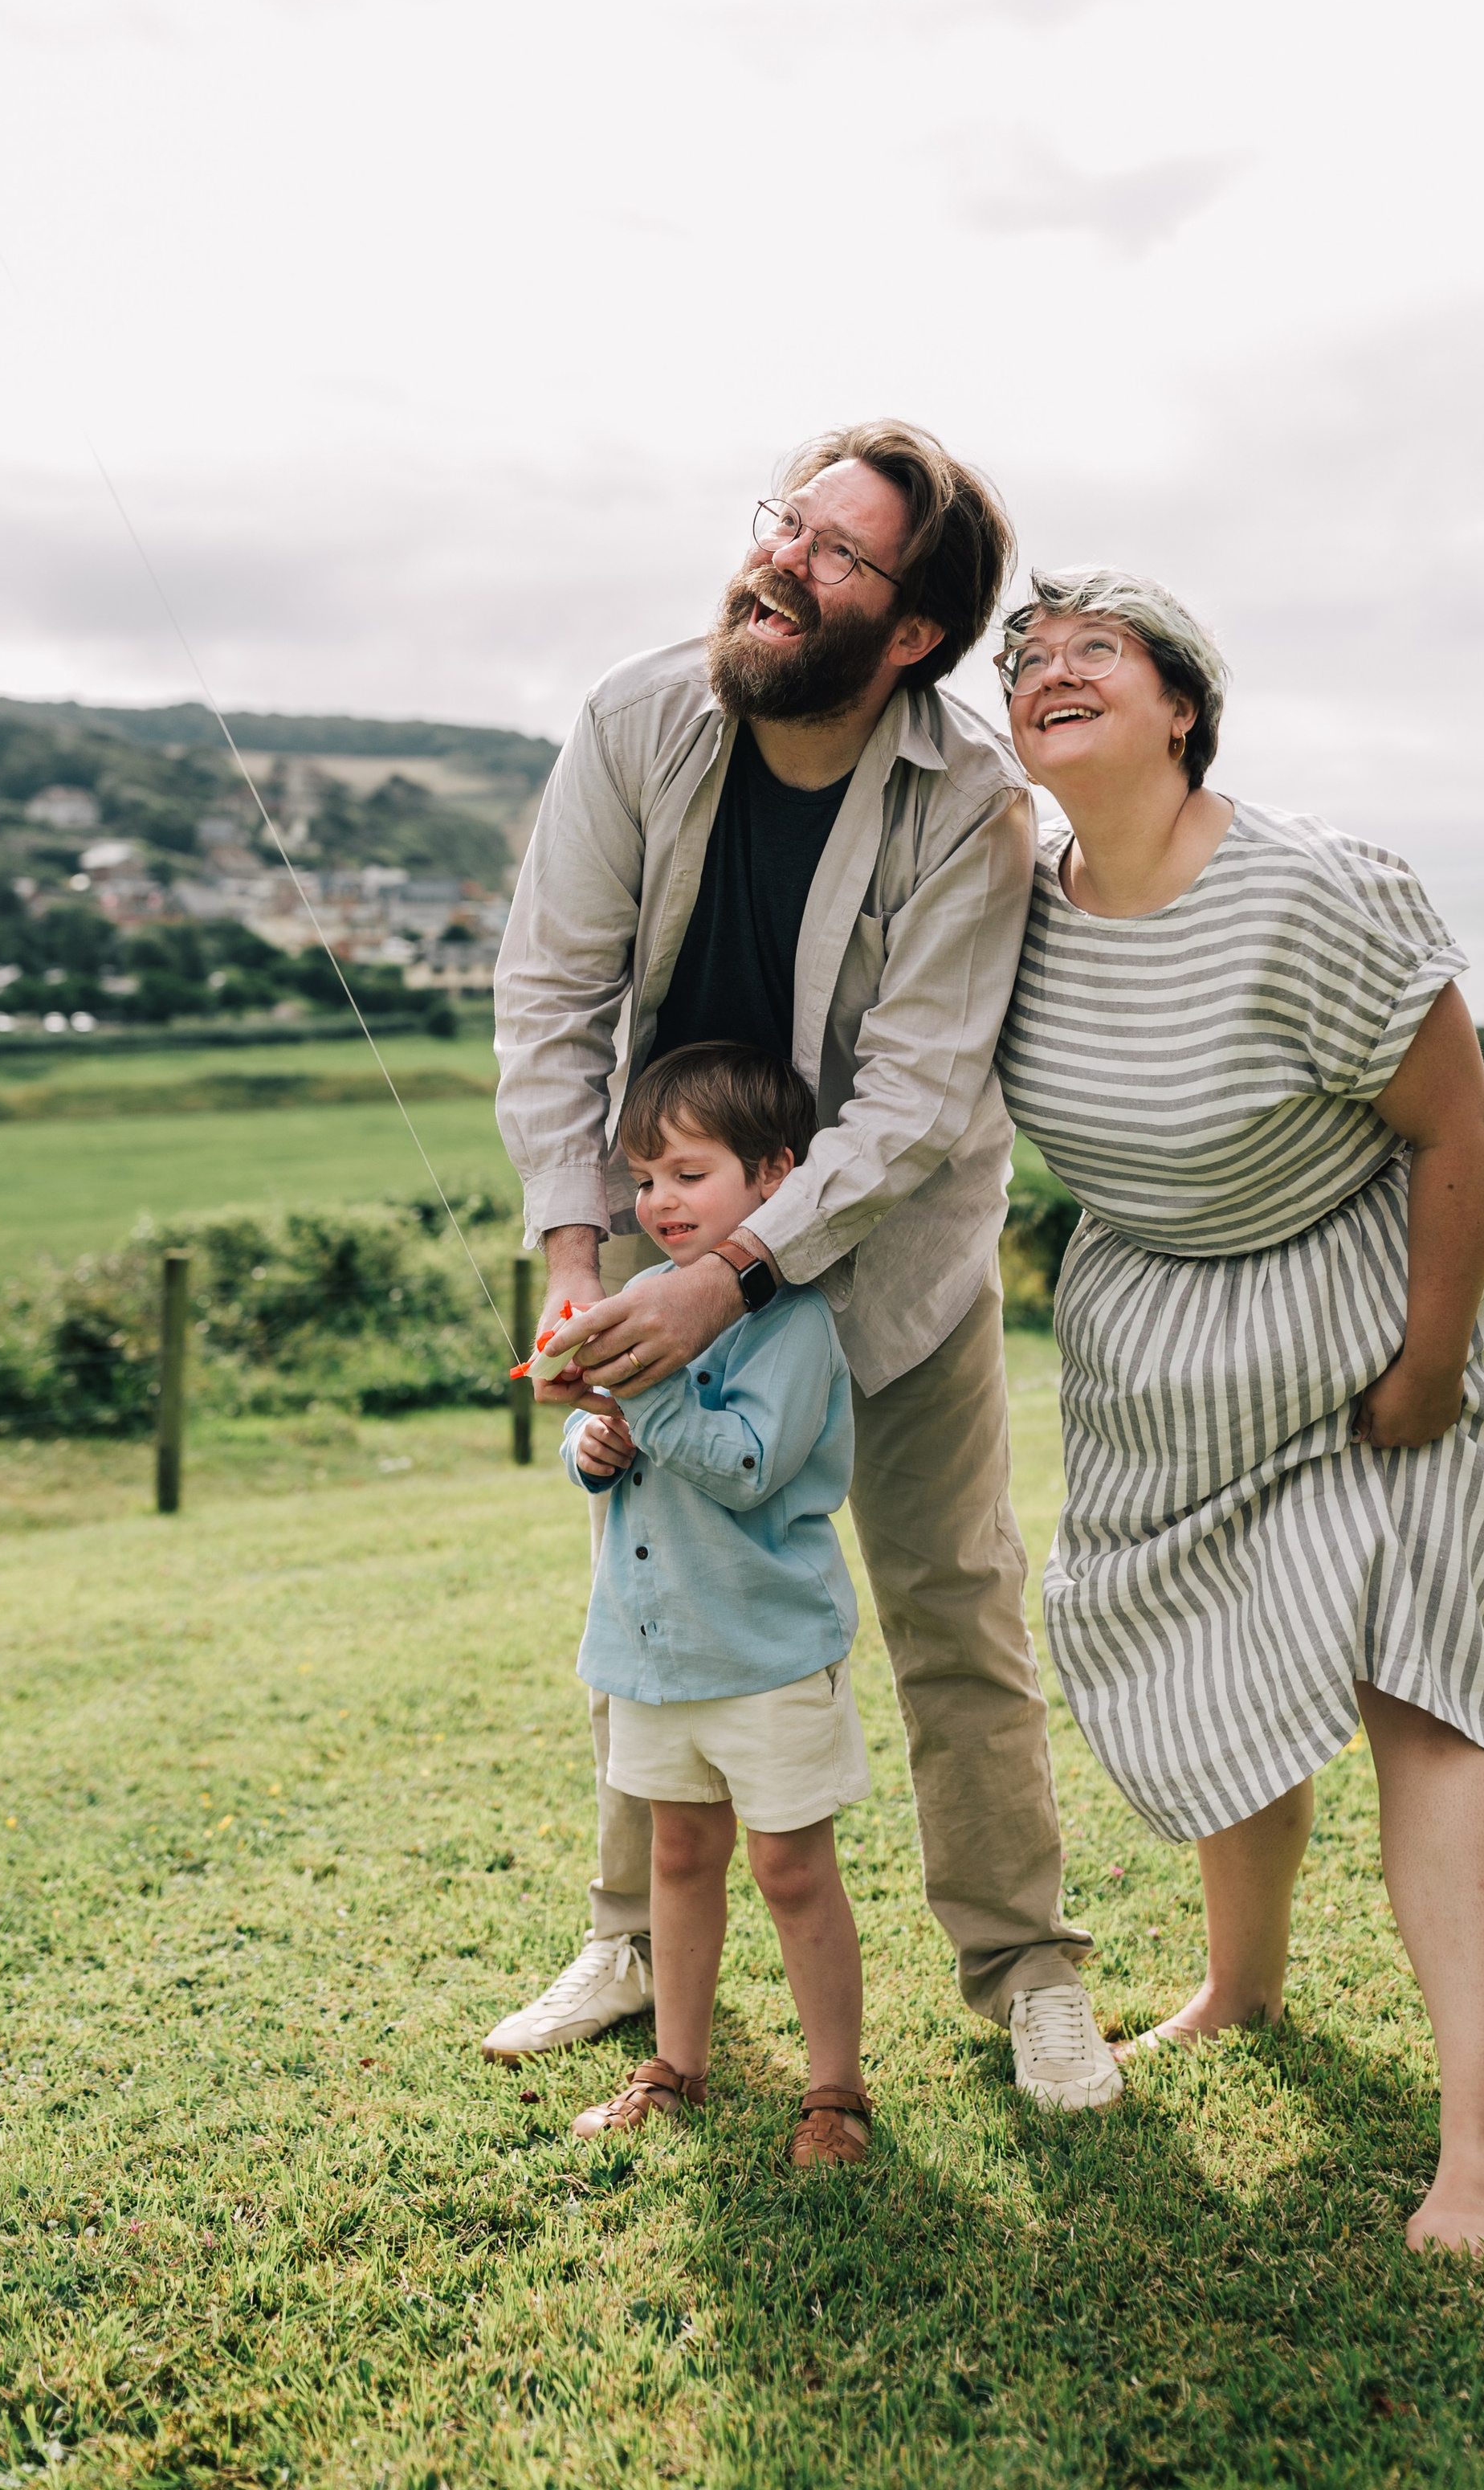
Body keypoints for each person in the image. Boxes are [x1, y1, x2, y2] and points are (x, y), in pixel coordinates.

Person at [487, 418, 1116, 2110]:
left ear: (912, 632)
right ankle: (630, 1940)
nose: (780, 560)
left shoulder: (970, 802)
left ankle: (1025, 1970)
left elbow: (914, 1102)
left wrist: (734, 1281)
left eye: (838, 554)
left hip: (893, 1269)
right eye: (786, 522)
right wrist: (579, 1260)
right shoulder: (636, 720)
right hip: (671, 1260)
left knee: (953, 1600)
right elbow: (552, 998)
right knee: (657, 1594)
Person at [992, 566, 1484, 2251]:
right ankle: (1241, 1987)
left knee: (1415, 1679)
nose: (1049, 667)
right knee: (1208, 1650)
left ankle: (1479, 2149)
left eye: (1096, 648)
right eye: (1025, 659)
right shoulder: (1009, 909)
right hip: (1169, 1346)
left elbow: (1458, 1129)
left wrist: (1430, 1369)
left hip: (1380, 1299)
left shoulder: (1308, 889)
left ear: (1181, 708)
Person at [559, 1041, 874, 2165]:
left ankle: (835, 2092)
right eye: (646, 1179)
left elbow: (745, 1465)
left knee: (792, 1870)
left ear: (774, 1176)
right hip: (655, 1653)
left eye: (689, 1174)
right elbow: (605, 1433)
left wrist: (640, 1401)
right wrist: (590, 1443)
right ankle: (674, 2069)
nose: (659, 1202)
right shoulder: (637, 1299)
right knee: (679, 1859)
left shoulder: (795, 1324)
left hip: (767, 1654)